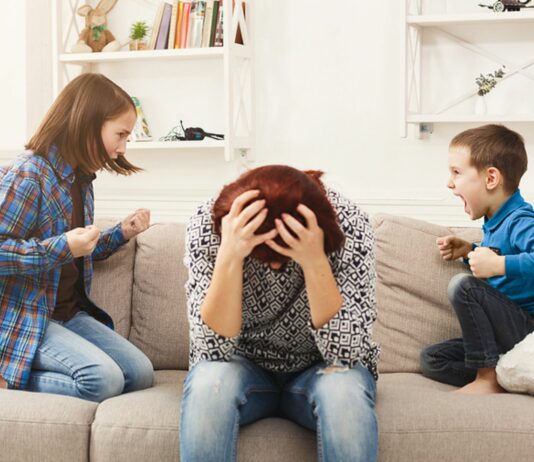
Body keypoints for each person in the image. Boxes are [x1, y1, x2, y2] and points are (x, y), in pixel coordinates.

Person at [180, 165, 380, 462]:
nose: (274, 269)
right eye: (263, 260)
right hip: (241, 364)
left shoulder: (350, 223)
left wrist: (313, 261)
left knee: (344, 393)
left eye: (284, 261)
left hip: (321, 367)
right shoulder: (209, 225)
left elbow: (346, 352)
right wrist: (230, 255)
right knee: (209, 384)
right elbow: (212, 349)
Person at [0, 73, 154, 402]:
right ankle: (9, 375)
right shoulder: (29, 174)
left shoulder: (80, 180)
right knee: (104, 380)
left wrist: (120, 233)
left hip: (68, 314)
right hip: (27, 317)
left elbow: (76, 249)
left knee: (140, 373)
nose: (120, 149)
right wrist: (63, 246)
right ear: (88, 122)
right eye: (121, 135)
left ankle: (19, 369)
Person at [420, 124, 534, 394]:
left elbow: (501, 262)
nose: (449, 183)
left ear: (491, 178)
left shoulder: (519, 219)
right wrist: (468, 251)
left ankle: (487, 378)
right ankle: (502, 372)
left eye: (456, 172)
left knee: (464, 285)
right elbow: (497, 256)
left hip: (525, 327)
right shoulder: (494, 220)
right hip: (500, 336)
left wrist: (498, 265)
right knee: (432, 359)